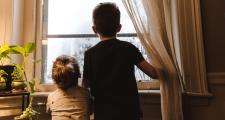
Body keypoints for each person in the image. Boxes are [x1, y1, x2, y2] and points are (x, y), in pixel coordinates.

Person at [83, 2, 159, 120]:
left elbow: (85, 86)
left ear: (94, 29)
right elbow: (153, 73)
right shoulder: (128, 48)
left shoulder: (90, 54)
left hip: (103, 113)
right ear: (119, 28)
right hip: (129, 112)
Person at [47, 55, 90, 120]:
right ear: (78, 75)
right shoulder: (85, 94)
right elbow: (90, 111)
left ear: (55, 78)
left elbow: (48, 112)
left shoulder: (51, 97)